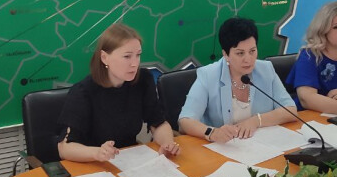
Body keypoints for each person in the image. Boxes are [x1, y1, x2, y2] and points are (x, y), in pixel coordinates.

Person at [57, 23, 180, 162]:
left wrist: (167, 143)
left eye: (138, 55)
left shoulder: (143, 80)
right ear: (104, 57)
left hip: (128, 160)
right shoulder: (83, 92)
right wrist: (97, 153)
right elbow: (64, 148)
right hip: (92, 163)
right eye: (127, 57)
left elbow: (158, 123)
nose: (135, 63)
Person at [178, 17, 297, 143]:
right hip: (222, 148)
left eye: (252, 51)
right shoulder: (208, 75)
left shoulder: (266, 70)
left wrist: (256, 121)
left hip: (259, 145)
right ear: (225, 54)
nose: (248, 59)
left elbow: (291, 110)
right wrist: (212, 133)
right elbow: (185, 121)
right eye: (240, 53)